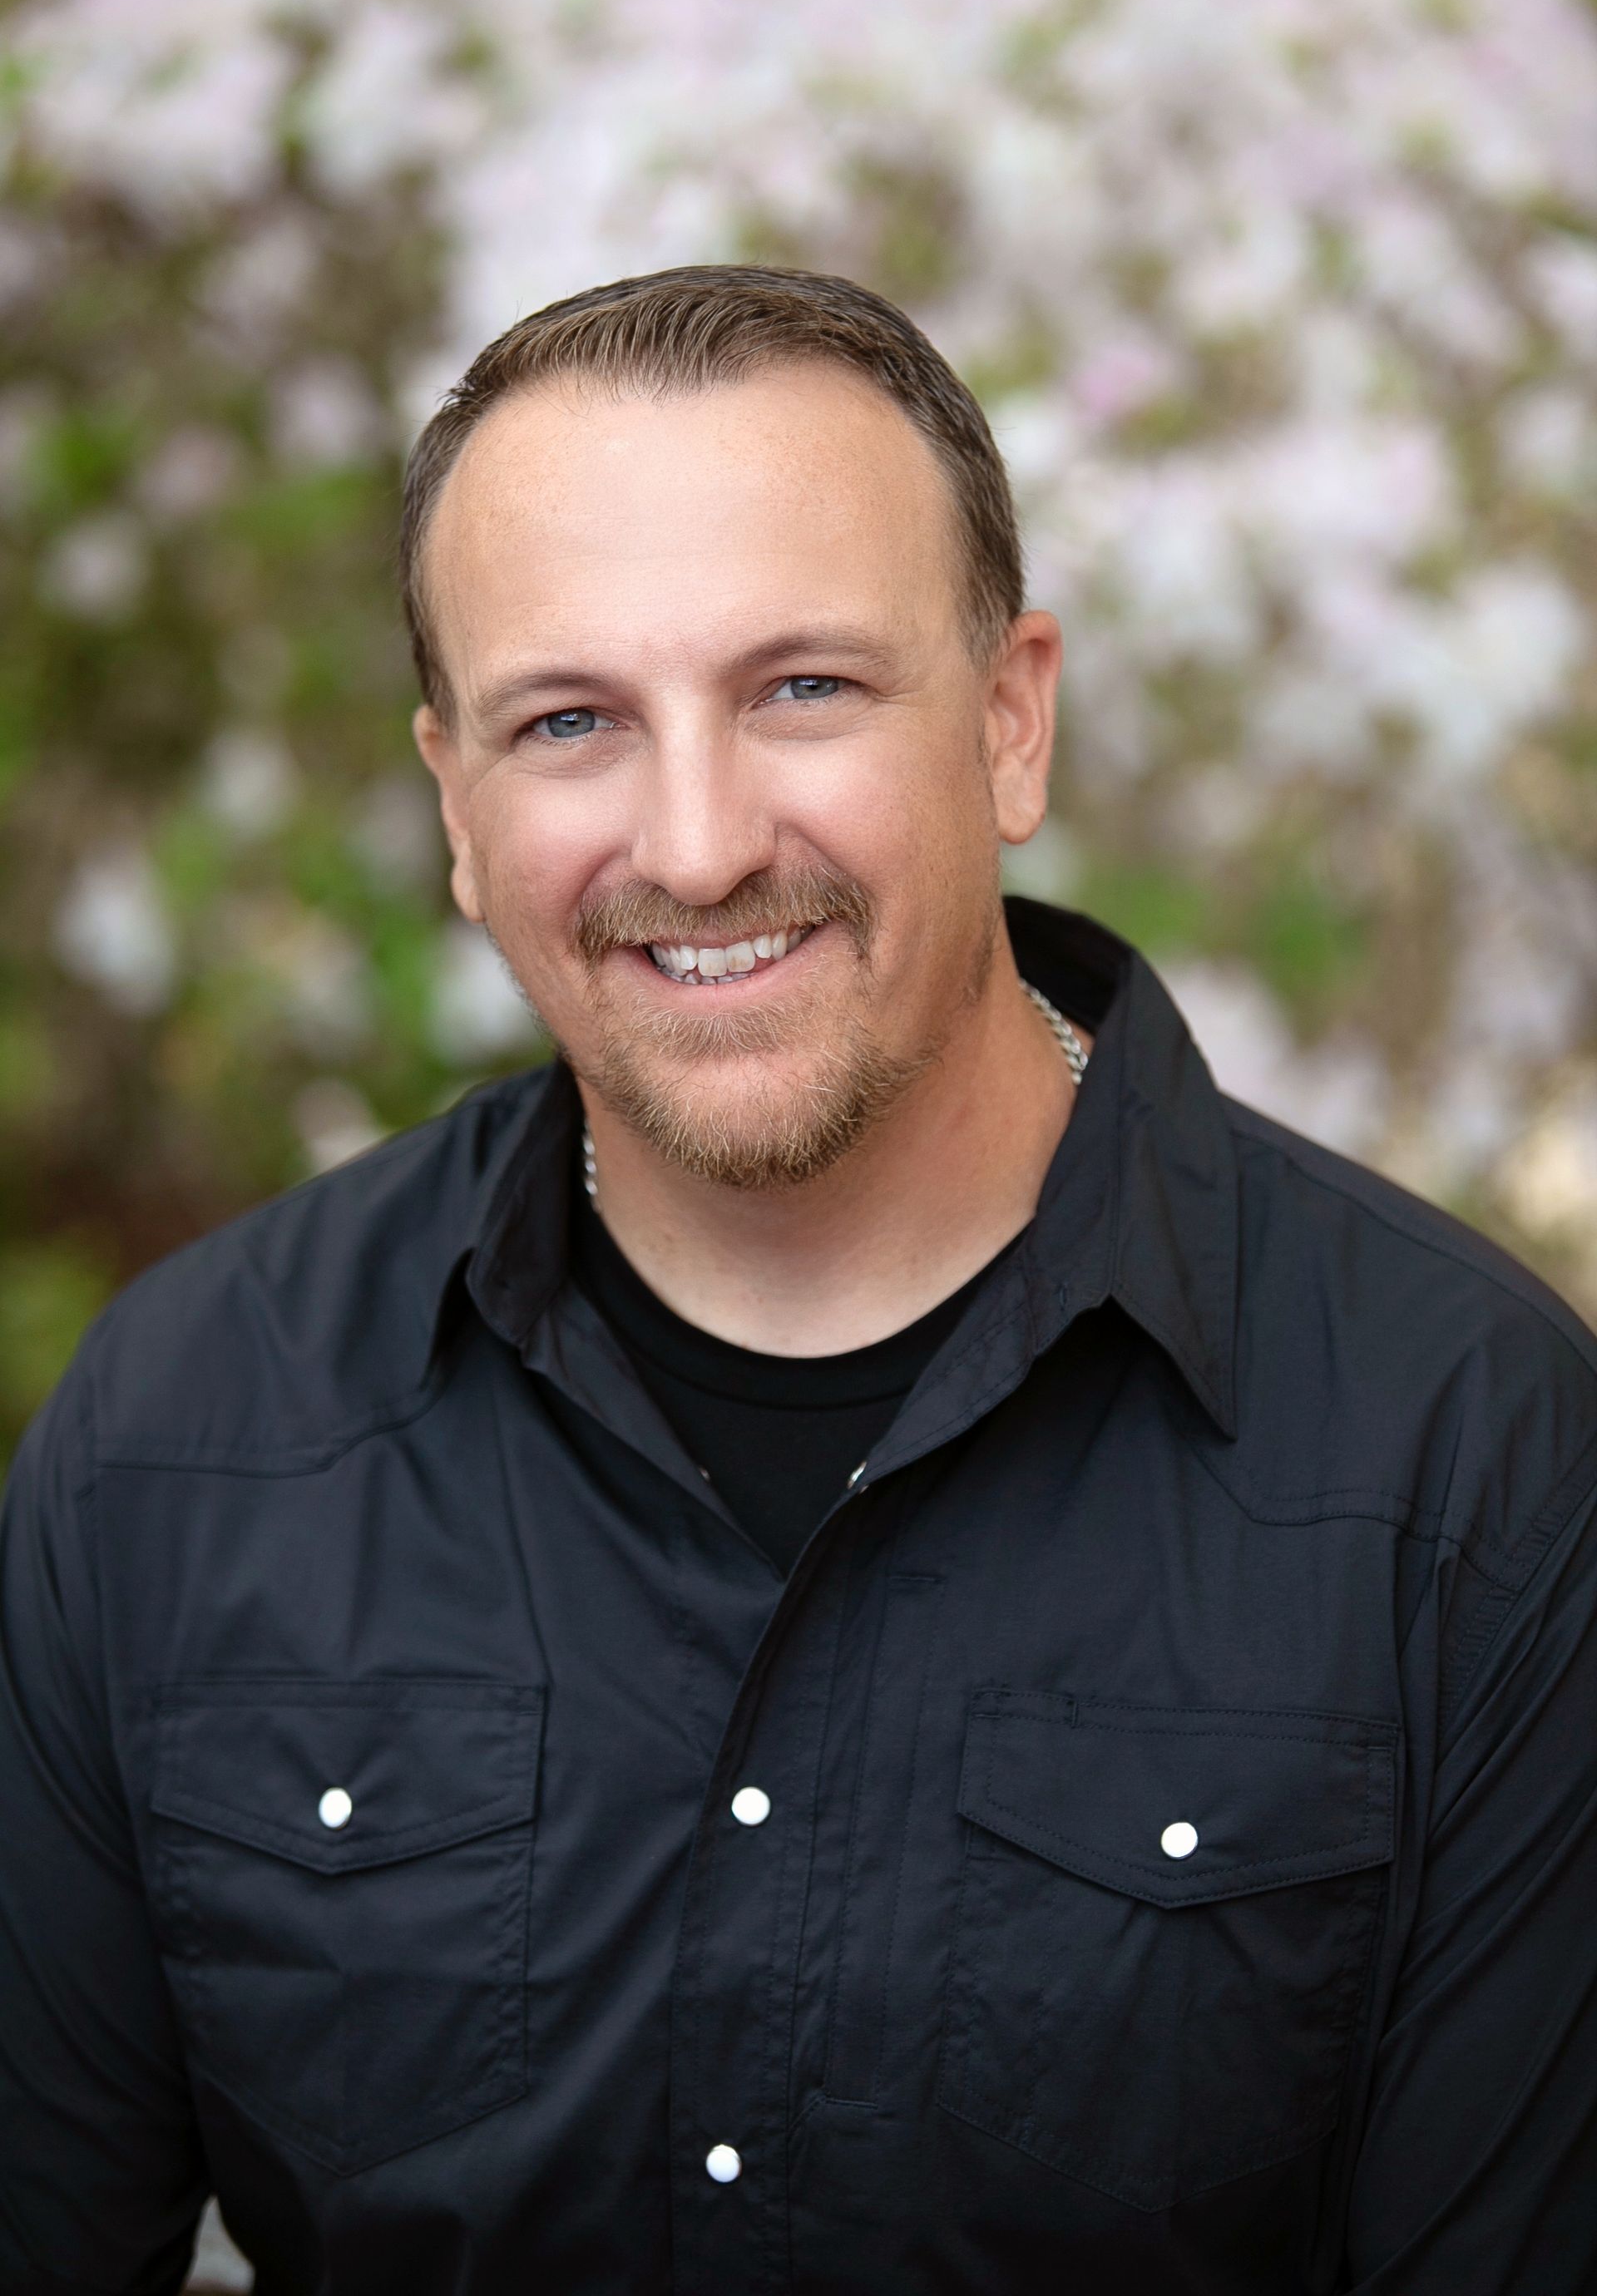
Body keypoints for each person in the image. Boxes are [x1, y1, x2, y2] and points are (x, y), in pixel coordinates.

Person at [2, 265, 1594, 2296]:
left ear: (1012, 725)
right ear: (458, 816)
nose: (697, 839)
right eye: (570, 722)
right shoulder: (183, 1439)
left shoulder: (1475, 1464)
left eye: (802, 691)